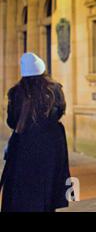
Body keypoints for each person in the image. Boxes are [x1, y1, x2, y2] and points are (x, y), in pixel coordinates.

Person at [0, 53, 70, 212]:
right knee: (49, 183)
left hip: (24, 143)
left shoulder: (16, 92)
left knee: (23, 188)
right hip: (52, 143)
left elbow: (12, 121)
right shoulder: (55, 89)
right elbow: (60, 112)